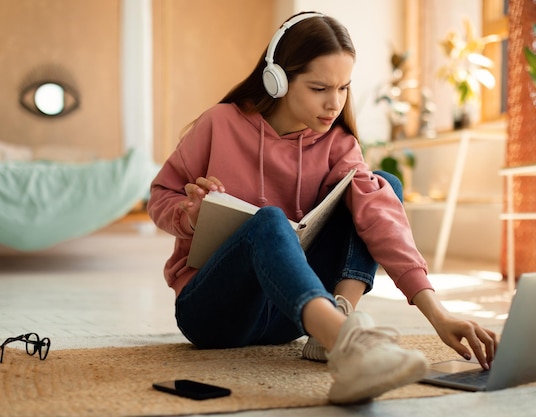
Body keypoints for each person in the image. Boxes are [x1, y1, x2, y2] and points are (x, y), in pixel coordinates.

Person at [147, 11, 497, 405]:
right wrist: (188, 215)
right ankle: (349, 345)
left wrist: (438, 313)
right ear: (276, 80)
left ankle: (335, 323)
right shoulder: (220, 123)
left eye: (344, 88)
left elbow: (380, 220)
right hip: (213, 314)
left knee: (381, 187)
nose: (334, 104)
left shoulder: (339, 143)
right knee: (270, 221)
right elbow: (161, 195)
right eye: (319, 88)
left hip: (289, 314)